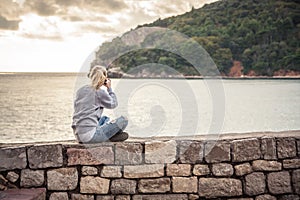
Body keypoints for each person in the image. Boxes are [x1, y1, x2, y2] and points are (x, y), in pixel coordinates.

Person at [72, 65, 128, 143]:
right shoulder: (99, 92)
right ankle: (107, 138)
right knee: (124, 120)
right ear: (104, 78)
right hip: (90, 137)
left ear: (91, 76)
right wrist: (109, 88)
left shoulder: (80, 91)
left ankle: (105, 137)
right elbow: (113, 104)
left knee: (105, 119)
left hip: (78, 135)